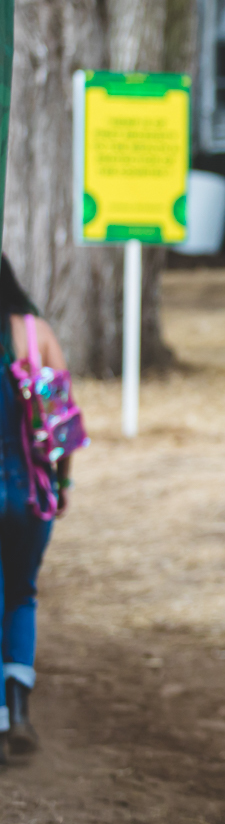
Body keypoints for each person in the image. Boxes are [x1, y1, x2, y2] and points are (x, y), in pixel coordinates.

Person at [0, 256, 74, 764]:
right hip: (30, 492)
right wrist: (63, 481)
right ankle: (18, 709)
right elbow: (64, 422)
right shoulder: (36, 334)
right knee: (21, 594)